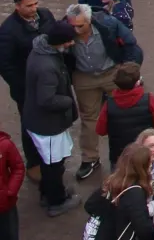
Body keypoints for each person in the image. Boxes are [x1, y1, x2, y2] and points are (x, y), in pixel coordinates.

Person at [66, 0, 142, 178]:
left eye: (80, 26)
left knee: (125, 113)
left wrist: (130, 69)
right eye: (73, 26)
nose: (76, 30)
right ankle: (90, 158)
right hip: (83, 77)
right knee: (88, 118)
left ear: (90, 20)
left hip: (111, 74)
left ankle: (130, 154)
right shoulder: (65, 30)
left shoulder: (108, 24)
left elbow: (131, 43)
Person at [25, 19, 78, 215]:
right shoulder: (47, 66)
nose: (72, 44)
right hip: (47, 125)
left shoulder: (40, 51)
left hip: (41, 122)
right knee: (53, 165)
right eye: (69, 41)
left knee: (51, 162)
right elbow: (46, 100)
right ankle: (56, 201)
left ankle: (49, 193)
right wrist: (67, 101)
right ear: (60, 41)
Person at [0, 0, 52, 178]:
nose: (34, 8)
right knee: (30, 125)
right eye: (29, 5)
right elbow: (6, 66)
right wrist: (25, 87)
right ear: (17, 6)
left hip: (49, 82)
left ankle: (52, 156)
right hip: (27, 89)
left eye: (36, 3)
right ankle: (34, 162)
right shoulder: (8, 31)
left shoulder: (45, 16)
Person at [83, 144, 154, 240]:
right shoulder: (135, 192)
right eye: (150, 163)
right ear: (142, 167)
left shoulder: (113, 180)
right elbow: (144, 228)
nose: (151, 165)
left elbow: (89, 205)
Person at [95, 62, 154, 167]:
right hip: (145, 153)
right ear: (137, 83)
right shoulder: (149, 99)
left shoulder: (109, 104)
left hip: (119, 155)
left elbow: (100, 130)